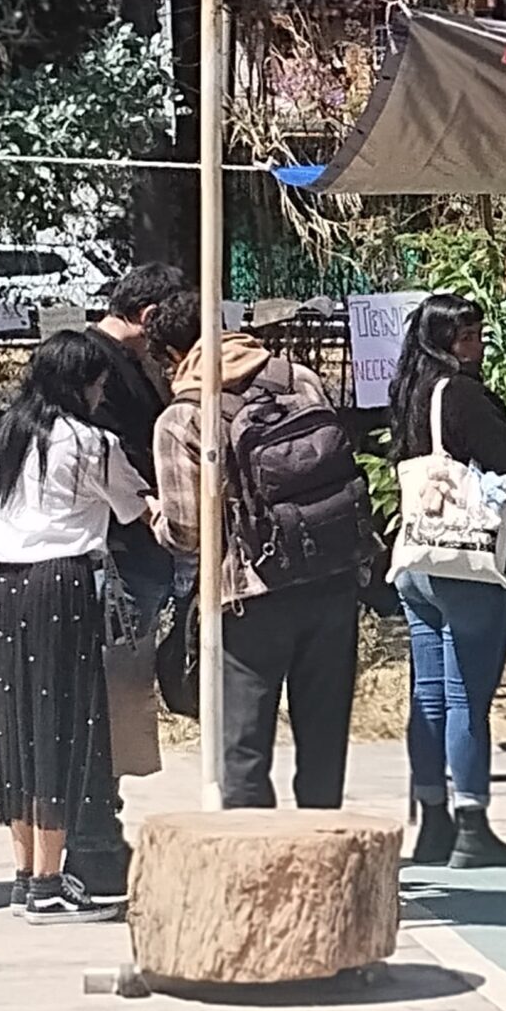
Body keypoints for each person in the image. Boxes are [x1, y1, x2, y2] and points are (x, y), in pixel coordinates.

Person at [0, 333, 157, 924]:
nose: (100, 394)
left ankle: (26, 873)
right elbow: (135, 509)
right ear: (81, 384)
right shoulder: (92, 443)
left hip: (3, 591)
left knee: (15, 725)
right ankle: (49, 880)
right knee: (62, 725)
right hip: (62, 584)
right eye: (97, 383)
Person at [148, 294, 366, 813]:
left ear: (173, 356)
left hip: (248, 592)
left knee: (242, 747)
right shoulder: (300, 379)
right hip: (331, 574)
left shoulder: (181, 419)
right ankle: (324, 856)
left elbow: (187, 533)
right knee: (323, 738)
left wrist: (154, 517)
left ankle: (256, 869)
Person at [390, 293, 506, 869]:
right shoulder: (460, 393)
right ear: (444, 340)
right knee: (466, 696)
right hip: (467, 561)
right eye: (468, 337)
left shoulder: (411, 389)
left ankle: (432, 820)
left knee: (428, 694)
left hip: (418, 559)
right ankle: (472, 823)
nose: (478, 347)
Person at [75, 263, 184, 897]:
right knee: (108, 694)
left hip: (128, 544)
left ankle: (98, 828)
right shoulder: (102, 364)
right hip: (117, 544)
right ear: (149, 317)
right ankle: (94, 835)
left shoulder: (116, 359)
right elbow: (118, 454)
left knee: (117, 692)